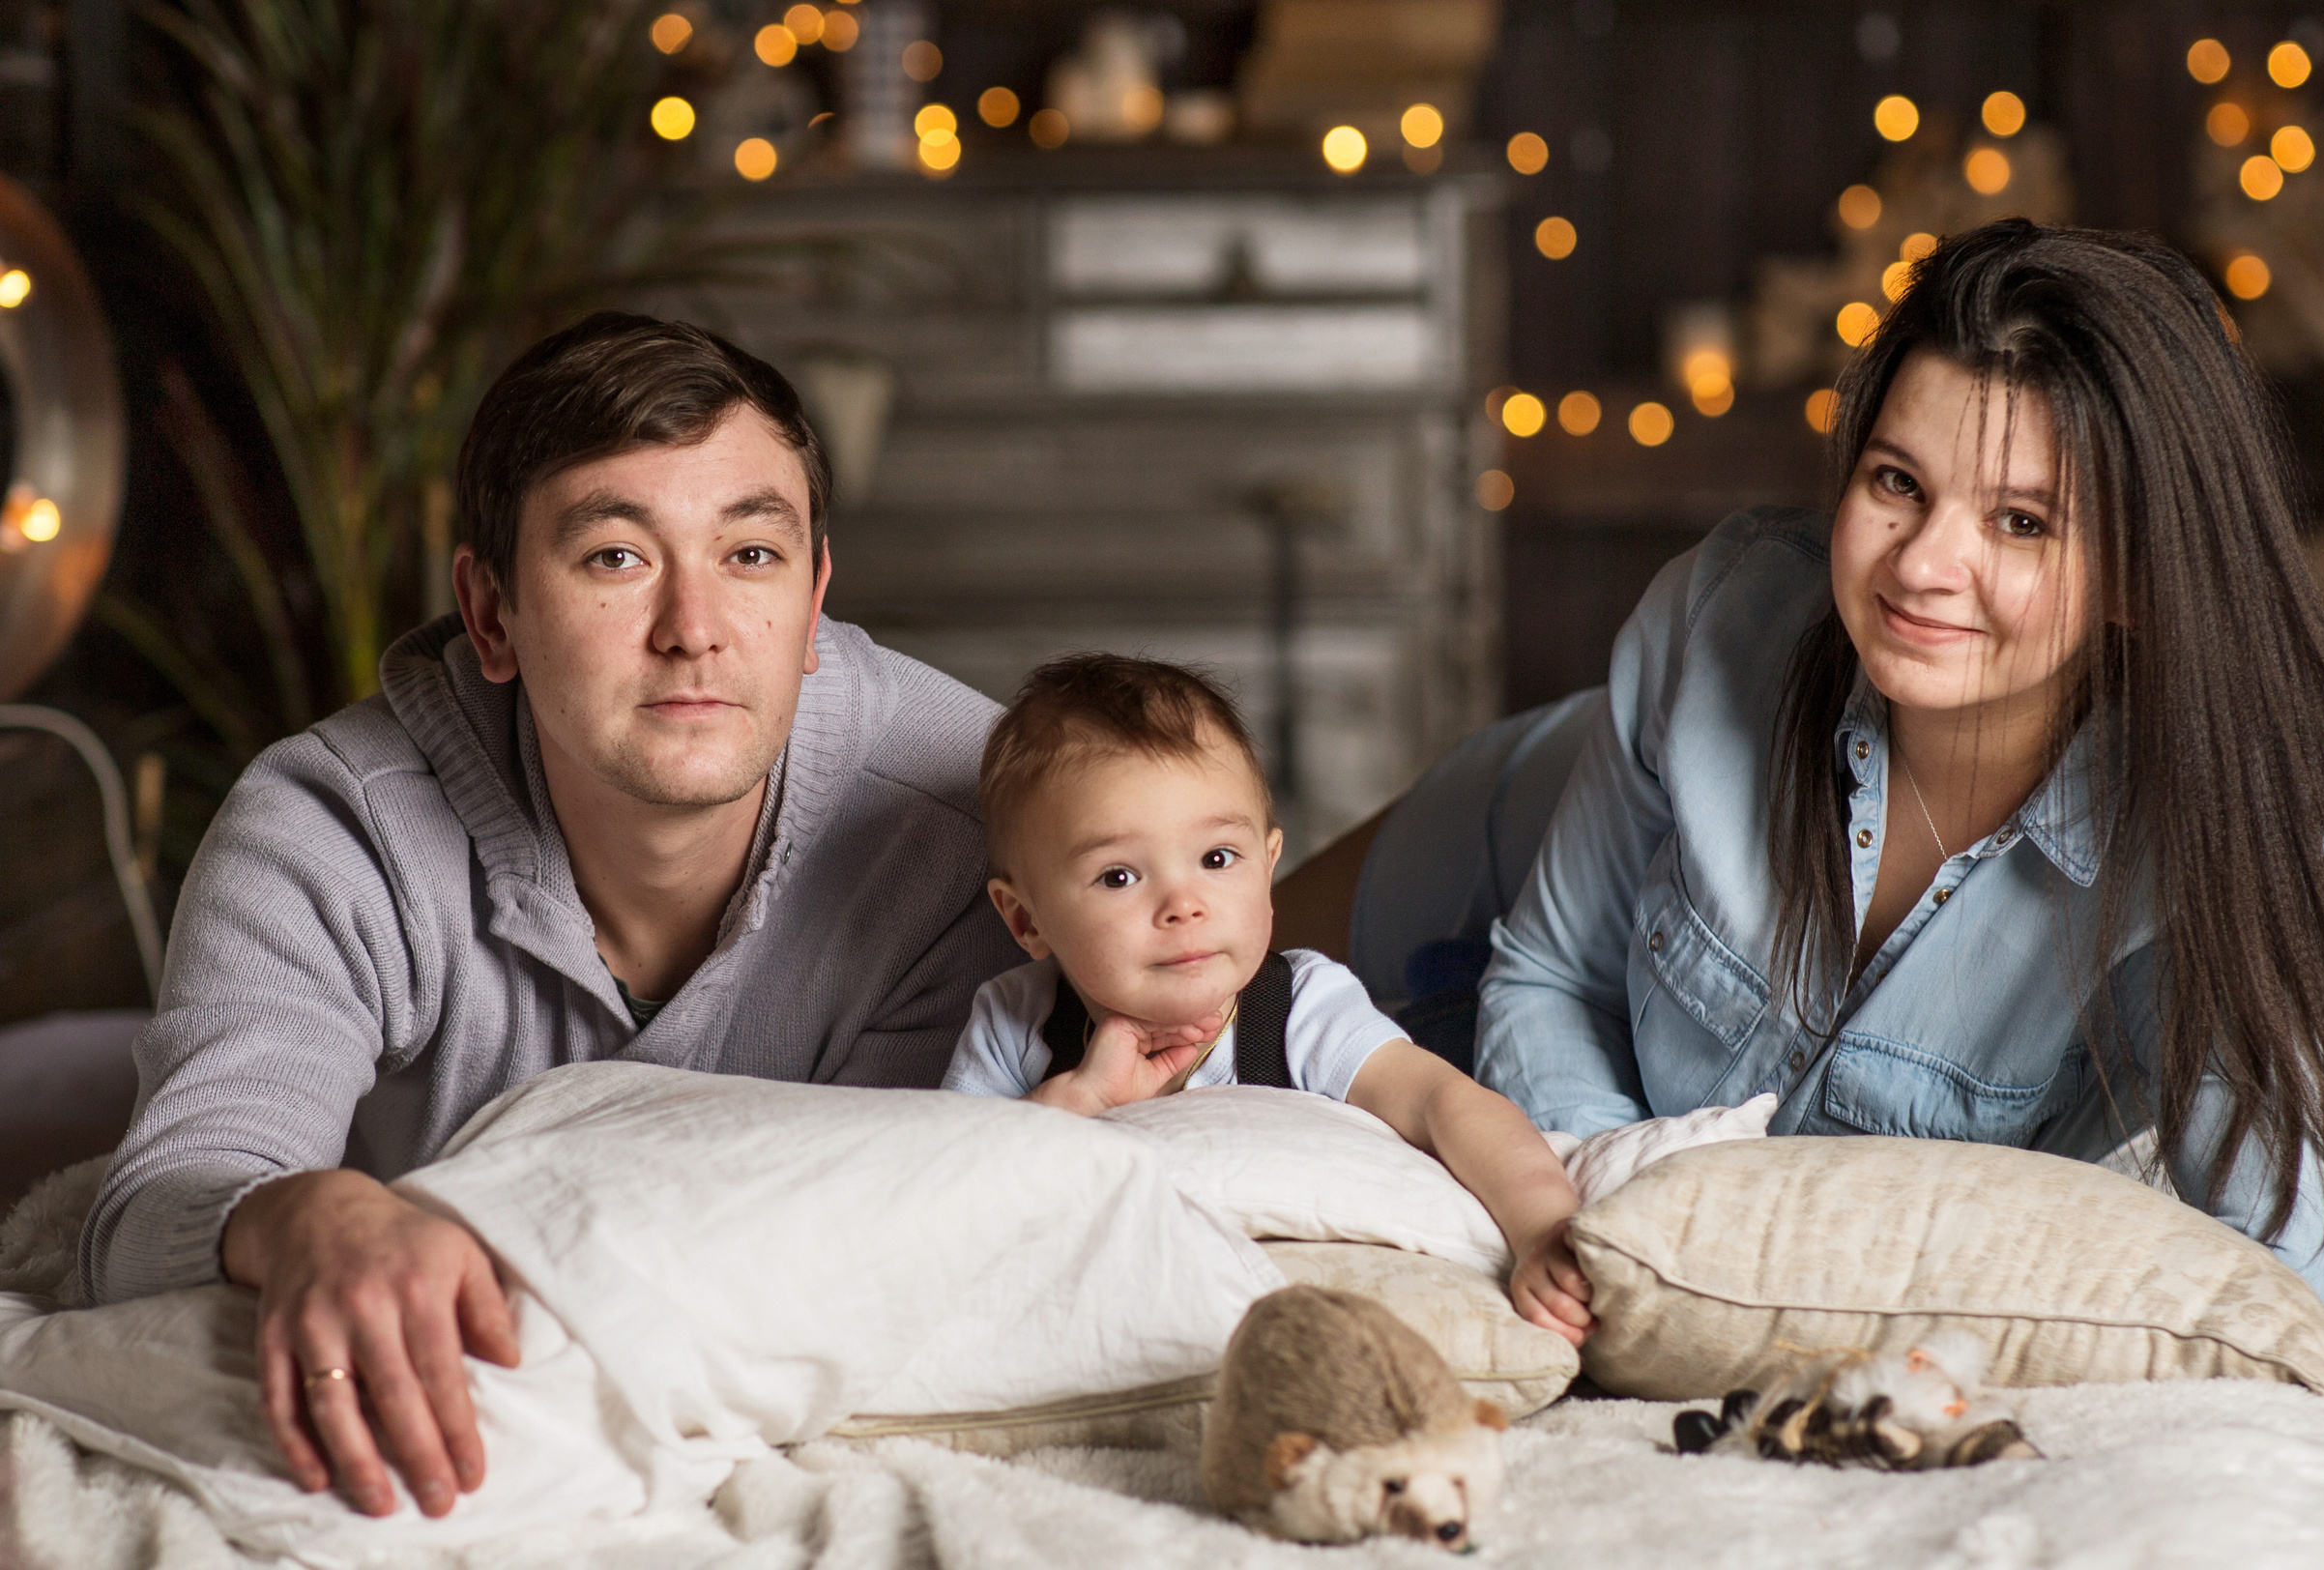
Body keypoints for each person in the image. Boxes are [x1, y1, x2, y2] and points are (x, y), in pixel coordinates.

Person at [77, 313, 1022, 1517]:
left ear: (817, 592)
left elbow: (924, 1252)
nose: (695, 627)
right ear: (491, 613)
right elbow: (149, 1217)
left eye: (750, 555)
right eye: (616, 557)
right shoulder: (330, 829)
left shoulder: (971, 819)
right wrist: (305, 1214)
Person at [1476, 220, 2324, 1344]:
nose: (1921, 564)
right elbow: (1546, 976)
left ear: (2137, 578)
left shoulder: (2206, 828)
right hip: (1464, 858)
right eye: (1896, 481)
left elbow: (2283, 1274)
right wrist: (1605, 1216)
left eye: (2020, 522)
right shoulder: (1714, 616)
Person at [943, 654, 1593, 1346]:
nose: (1184, 905)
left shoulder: (1300, 1006)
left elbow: (1443, 1104)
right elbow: (947, 1195)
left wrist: (1541, 1229)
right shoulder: (1017, 1024)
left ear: (1269, 863)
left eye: (1217, 859)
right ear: (1026, 920)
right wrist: (1080, 1102)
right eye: (1119, 875)